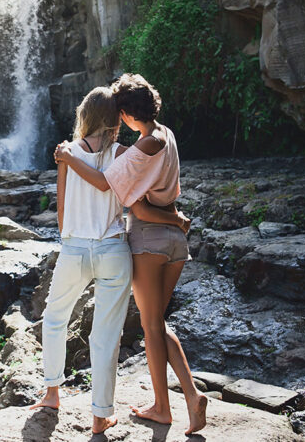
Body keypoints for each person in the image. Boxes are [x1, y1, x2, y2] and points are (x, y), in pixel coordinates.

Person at [55, 74, 208, 435]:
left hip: (149, 241)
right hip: (174, 243)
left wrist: (68, 156)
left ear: (124, 115)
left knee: (151, 325)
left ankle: (171, 403)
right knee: (157, 323)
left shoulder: (140, 150)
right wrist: (176, 217)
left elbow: (110, 186)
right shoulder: (164, 135)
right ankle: (186, 397)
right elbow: (144, 175)